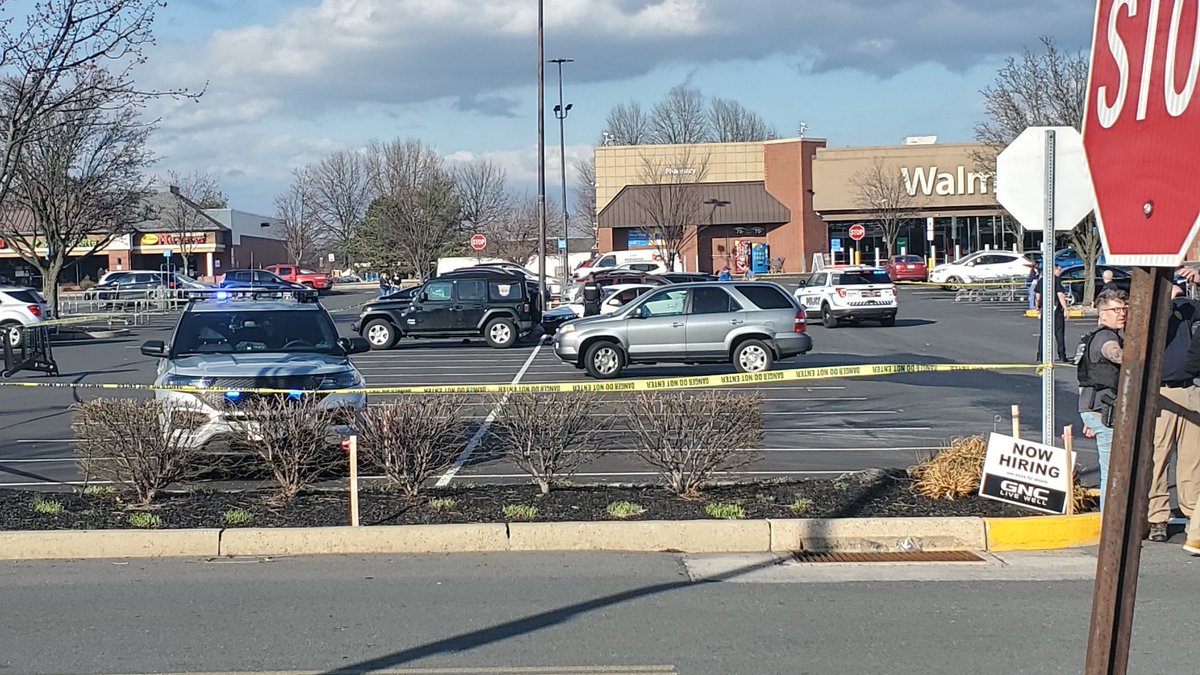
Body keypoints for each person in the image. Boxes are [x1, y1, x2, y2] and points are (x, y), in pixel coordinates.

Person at [1147, 267, 1200, 543]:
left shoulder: (1188, 308)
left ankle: (1193, 515)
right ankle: (1157, 518)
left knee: (1192, 460)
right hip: (1161, 392)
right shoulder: (1150, 310)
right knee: (1158, 458)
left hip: (1190, 389)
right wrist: (1165, 301)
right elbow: (1150, 329)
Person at [1078, 288, 1127, 512]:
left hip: (1095, 410)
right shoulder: (1106, 337)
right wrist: (1135, 356)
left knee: (1113, 467)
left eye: (1124, 309)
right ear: (1102, 313)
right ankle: (1109, 519)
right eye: (1115, 309)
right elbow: (1113, 353)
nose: (1122, 313)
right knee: (1111, 470)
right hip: (1104, 411)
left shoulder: (1094, 337)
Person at [1035, 264, 1070, 362]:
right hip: (1056, 310)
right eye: (1059, 269)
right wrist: (1066, 308)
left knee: (1044, 333)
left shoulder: (1042, 281)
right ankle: (1062, 355)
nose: (1060, 271)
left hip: (1045, 310)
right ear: (1053, 270)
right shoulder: (1056, 281)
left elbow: (1037, 295)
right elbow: (1060, 295)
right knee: (1059, 333)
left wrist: (1037, 307)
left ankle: (1040, 355)